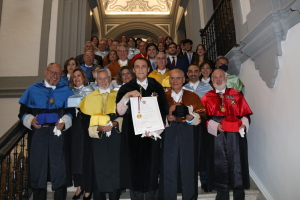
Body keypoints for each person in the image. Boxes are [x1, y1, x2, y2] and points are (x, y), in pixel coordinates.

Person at [18, 63, 74, 200]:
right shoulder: (32, 89)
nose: (55, 76)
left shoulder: (66, 90)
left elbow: (71, 111)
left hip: (58, 134)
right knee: (39, 168)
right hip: (38, 134)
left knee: (60, 168)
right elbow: (22, 113)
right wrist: (31, 120)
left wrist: (65, 121)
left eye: (58, 74)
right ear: (46, 72)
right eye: (52, 73)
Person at [116, 57, 169, 200]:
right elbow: (119, 112)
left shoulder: (156, 86)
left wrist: (155, 131)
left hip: (152, 135)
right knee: (134, 168)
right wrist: (127, 96)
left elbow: (164, 111)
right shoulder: (126, 88)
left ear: (149, 69)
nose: (140, 69)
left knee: (152, 169)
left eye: (143, 66)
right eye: (137, 67)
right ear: (133, 70)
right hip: (132, 135)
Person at [201, 69, 253, 200]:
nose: (218, 79)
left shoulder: (237, 95)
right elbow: (202, 119)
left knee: (238, 166)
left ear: (225, 78)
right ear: (212, 81)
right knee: (219, 168)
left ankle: (239, 197)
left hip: (235, 137)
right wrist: (214, 126)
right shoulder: (207, 97)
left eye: (220, 76)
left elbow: (245, 115)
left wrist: (243, 125)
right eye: (215, 78)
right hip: (216, 138)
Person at [159, 69, 207, 200]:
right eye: (172, 78)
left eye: (178, 78)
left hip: (188, 134)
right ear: (169, 81)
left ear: (183, 79)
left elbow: (202, 115)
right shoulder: (162, 97)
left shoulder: (193, 96)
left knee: (189, 167)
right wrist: (167, 117)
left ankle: (190, 197)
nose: (175, 81)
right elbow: (156, 118)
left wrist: (191, 117)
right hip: (169, 133)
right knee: (168, 167)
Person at [78, 68, 123, 200]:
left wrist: (115, 124)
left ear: (110, 79)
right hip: (97, 140)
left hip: (115, 137)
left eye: (105, 78)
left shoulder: (119, 96)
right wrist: (98, 128)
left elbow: (124, 116)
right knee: (98, 171)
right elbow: (85, 122)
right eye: (100, 79)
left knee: (115, 169)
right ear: (96, 81)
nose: (103, 81)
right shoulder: (89, 98)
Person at [183, 64, 213, 192]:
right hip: (186, 125)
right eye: (191, 71)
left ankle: (205, 181)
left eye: (196, 71)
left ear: (200, 73)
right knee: (188, 153)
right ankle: (187, 181)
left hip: (202, 125)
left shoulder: (208, 88)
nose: (193, 73)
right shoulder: (182, 89)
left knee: (203, 153)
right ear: (187, 74)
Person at [68, 68, 94, 199]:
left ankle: (88, 187)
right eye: (74, 77)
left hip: (87, 125)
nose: (77, 78)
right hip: (74, 127)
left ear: (84, 77)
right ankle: (79, 185)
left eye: (79, 75)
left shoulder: (90, 91)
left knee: (87, 156)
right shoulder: (70, 92)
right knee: (76, 157)